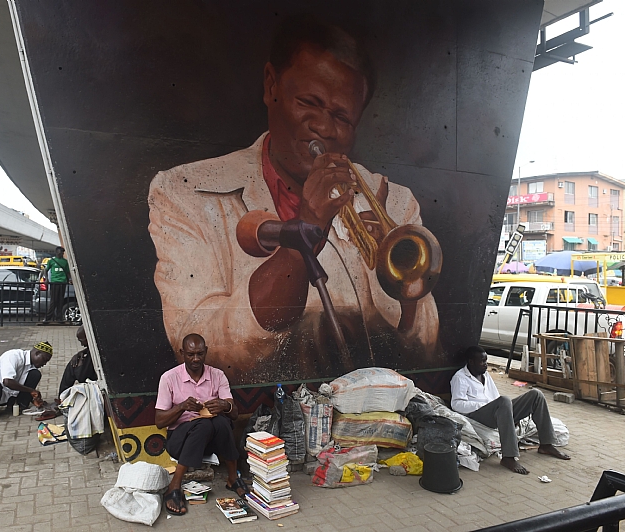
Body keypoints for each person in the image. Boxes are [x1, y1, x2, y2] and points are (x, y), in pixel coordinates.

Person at [148, 15, 440, 382]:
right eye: (309, 102)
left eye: (342, 117)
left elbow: (427, 348)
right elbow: (200, 345)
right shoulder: (183, 190)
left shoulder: (393, 202)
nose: (322, 127)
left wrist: (401, 291)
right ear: (271, 85)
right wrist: (305, 231)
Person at [155, 334, 247, 516]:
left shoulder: (217, 375)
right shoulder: (169, 378)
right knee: (204, 425)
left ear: (206, 352)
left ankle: (232, 478)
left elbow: (234, 414)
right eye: (190, 354)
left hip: (210, 441)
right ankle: (174, 487)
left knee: (221, 421)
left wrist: (224, 405)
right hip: (179, 442)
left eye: (199, 354)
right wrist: (181, 407)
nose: (195, 359)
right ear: (182, 353)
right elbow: (159, 421)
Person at [450, 346, 570, 474]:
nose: (486, 364)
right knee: (504, 401)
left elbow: (496, 397)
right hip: (478, 415)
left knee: (536, 394)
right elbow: (456, 404)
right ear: (471, 362)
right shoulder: (460, 378)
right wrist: (484, 405)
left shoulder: (485, 375)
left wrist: (506, 412)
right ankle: (508, 457)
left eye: (486, 361)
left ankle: (546, 444)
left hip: (496, 411)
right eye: (482, 361)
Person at [0, 341, 53, 421]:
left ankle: (19, 405)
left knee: (35, 374)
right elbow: (7, 382)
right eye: (44, 360)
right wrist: (32, 391)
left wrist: (34, 398)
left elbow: (23, 385)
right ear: (37, 353)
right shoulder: (13, 356)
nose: (44, 363)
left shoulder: (31, 365)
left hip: (8, 397)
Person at [58, 326, 98, 396]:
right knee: (73, 362)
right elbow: (89, 348)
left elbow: (82, 377)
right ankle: (62, 395)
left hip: (93, 379)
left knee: (73, 365)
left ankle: (62, 396)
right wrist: (80, 353)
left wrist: (80, 364)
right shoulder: (94, 344)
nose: (82, 344)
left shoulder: (94, 351)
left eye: (82, 341)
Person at [42, 246, 71, 324]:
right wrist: (47, 279)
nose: (62, 253)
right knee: (53, 301)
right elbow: (45, 269)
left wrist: (70, 279)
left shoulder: (65, 262)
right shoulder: (51, 261)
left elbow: (68, 272)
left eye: (63, 252)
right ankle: (48, 318)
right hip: (54, 283)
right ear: (57, 252)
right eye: (61, 252)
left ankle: (59, 318)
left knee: (60, 301)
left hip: (62, 282)